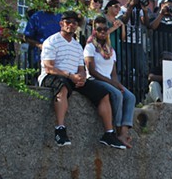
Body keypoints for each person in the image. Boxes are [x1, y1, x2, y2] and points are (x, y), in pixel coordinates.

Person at [39, 10, 127, 149]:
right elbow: (49, 67)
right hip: (53, 76)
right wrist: (70, 76)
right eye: (68, 22)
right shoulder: (51, 41)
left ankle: (108, 134)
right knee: (62, 87)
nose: (71, 25)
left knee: (103, 93)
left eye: (74, 23)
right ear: (61, 23)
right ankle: (60, 129)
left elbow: (81, 67)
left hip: (72, 77)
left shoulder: (77, 45)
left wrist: (82, 77)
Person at [84, 16, 135, 148]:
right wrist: (113, 84)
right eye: (99, 29)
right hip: (95, 80)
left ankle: (124, 131)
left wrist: (116, 83)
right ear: (94, 31)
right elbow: (91, 70)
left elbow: (113, 73)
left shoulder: (111, 51)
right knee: (117, 94)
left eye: (105, 29)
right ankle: (117, 127)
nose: (102, 32)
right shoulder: (90, 47)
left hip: (108, 80)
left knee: (130, 96)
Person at [24, 0, 62, 83]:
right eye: (51, 3)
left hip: (56, 55)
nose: (54, 6)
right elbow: (26, 37)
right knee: (36, 78)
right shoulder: (36, 17)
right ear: (45, 3)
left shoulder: (60, 17)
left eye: (56, 3)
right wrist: (40, 45)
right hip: (38, 55)